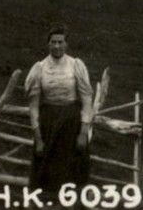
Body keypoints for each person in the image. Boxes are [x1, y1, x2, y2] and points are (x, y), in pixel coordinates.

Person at [25, 24, 93, 199]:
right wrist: (38, 138)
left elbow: (86, 101)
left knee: (71, 169)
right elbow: (33, 107)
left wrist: (83, 133)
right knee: (47, 169)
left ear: (66, 44)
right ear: (48, 44)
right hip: (48, 125)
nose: (56, 46)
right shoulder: (39, 68)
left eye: (60, 42)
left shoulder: (76, 65)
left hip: (71, 125)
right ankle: (47, 208)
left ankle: (70, 209)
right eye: (53, 42)